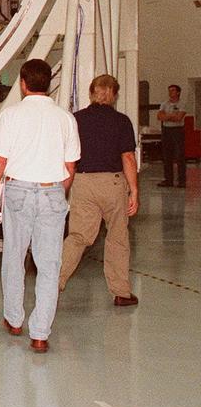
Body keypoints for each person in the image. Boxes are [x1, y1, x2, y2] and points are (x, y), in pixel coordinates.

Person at [0, 59, 80, 353]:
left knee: (14, 256)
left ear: (23, 84)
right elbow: (70, 165)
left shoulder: (10, 116)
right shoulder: (65, 119)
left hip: (18, 191)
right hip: (52, 190)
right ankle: (40, 334)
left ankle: (14, 319)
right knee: (49, 264)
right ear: (48, 82)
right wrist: (55, 192)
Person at [58, 75, 139, 306]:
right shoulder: (121, 121)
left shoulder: (76, 120)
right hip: (112, 183)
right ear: (114, 94)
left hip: (82, 183)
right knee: (117, 236)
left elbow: (67, 156)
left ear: (91, 92)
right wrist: (134, 190)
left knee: (78, 237)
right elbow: (128, 157)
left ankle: (54, 283)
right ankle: (121, 292)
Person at [157, 83, 187, 188]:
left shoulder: (182, 104)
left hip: (178, 131)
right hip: (166, 131)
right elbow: (160, 116)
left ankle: (182, 181)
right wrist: (171, 115)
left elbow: (179, 118)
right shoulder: (164, 104)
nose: (170, 92)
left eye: (173, 90)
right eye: (169, 90)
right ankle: (168, 180)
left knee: (180, 156)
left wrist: (167, 116)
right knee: (167, 156)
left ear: (178, 92)